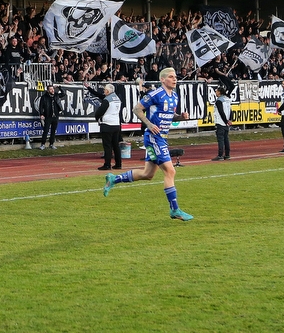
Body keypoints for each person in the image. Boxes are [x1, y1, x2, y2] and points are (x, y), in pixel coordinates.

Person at [103, 67, 193, 221]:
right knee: (170, 171)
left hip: (162, 137)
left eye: (175, 76)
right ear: (163, 80)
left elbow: (170, 117)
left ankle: (113, 179)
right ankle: (174, 209)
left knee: (148, 174)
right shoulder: (155, 94)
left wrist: (180, 117)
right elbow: (137, 109)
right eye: (171, 77)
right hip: (153, 137)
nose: (175, 79)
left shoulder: (175, 96)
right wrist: (149, 124)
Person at [86, 82, 122, 171]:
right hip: (116, 124)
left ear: (107, 91)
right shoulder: (117, 98)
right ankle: (118, 164)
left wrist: (97, 118)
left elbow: (100, 111)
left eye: (105, 90)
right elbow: (99, 95)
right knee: (116, 145)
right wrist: (89, 88)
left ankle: (107, 164)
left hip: (107, 124)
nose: (104, 91)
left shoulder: (107, 100)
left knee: (107, 146)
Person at [37, 84, 63, 150]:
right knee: (46, 130)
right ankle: (43, 144)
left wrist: (59, 87)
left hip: (55, 116)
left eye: (53, 89)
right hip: (48, 116)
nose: (52, 90)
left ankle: (51, 144)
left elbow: (63, 93)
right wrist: (41, 114)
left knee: (53, 131)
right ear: (48, 90)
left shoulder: (56, 95)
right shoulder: (44, 97)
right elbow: (41, 107)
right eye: (51, 89)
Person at [212, 85, 232, 161]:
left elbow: (221, 112)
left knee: (220, 139)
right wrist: (229, 120)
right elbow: (230, 111)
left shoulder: (219, 101)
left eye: (216, 91)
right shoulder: (227, 99)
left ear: (219, 92)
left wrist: (225, 121)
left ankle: (220, 155)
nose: (216, 92)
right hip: (226, 123)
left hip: (221, 122)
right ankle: (227, 155)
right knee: (226, 139)